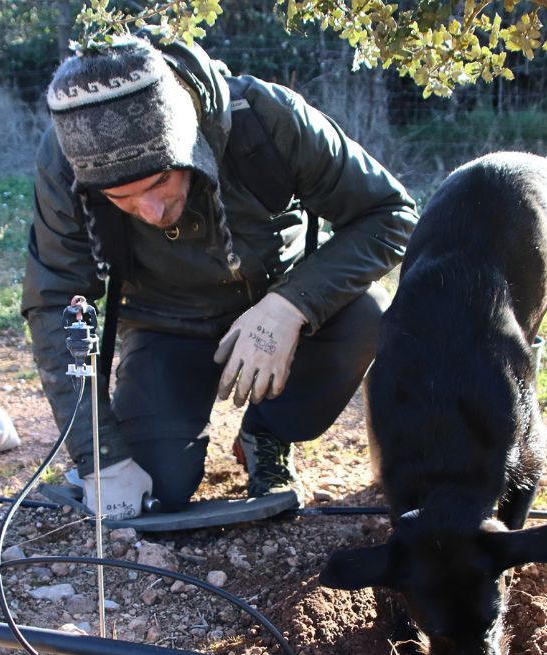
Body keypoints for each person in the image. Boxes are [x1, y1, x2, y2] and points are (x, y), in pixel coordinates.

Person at [21, 34, 417, 520]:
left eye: (159, 181)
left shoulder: (267, 116)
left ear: (190, 144)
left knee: (368, 314)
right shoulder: (66, 161)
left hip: (280, 307)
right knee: (154, 493)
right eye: (121, 199)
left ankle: (266, 434)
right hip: (165, 324)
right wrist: (99, 458)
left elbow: (392, 215)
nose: (150, 211)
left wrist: (290, 306)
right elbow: (54, 300)